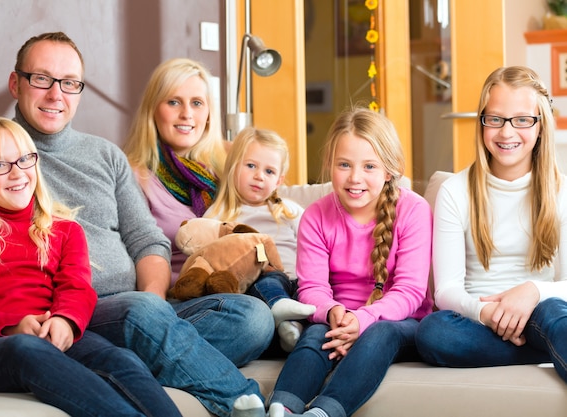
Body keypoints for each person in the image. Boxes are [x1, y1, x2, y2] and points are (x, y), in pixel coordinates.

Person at [0, 32, 265, 417]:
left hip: (123, 307)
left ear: (79, 90)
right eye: (41, 79)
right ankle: (229, 393)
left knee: (253, 318)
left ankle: (146, 344)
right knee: (140, 318)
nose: (55, 94)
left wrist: (154, 306)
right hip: (58, 307)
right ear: (16, 84)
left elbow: (148, 241)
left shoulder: (105, 156)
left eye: (69, 83)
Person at [0, 115, 182, 417]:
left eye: (24, 160)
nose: (17, 173)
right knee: (26, 348)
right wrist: (14, 326)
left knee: (122, 359)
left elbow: (77, 288)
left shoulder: (65, 230)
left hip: (51, 333)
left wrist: (65, 321)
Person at [233, 107, 434, 417]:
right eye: (344, 165)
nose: (355, 178)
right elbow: (311, 288)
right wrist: (334, 312)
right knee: (315, 335)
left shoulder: (414, 210)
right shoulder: (315, 215)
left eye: (369, 166)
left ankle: (323, 413)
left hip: (400, 321)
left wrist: (363, 320)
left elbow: (410, 291)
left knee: (380, 334)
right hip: (338, 320)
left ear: (390, 170)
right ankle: (280, 409)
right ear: (330, 165)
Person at [415, 66, 567, 383]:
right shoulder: (454, 192)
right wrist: (487, 313)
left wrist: (533, 291)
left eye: (522, 119)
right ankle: (548, 351)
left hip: (542, 315)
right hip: (478, 323)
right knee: (433, 332)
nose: (507, 132)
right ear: (482, 121)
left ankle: (551, 342)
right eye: (495, 119)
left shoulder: (561, 190)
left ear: (541, 125)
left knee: (554, 313)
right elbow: (446, 290)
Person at [124, 57, 274, 362]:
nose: (186, 114)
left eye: (196, 103)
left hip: (236, 292)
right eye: (173, 102)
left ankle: (156, 357)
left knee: (274, 310)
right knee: (255, 320)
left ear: (208, 113)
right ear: (154, 109)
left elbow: (273, 217)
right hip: (178, 300)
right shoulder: (133, 175)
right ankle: (153, 349)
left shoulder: (231, 164)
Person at [205, 126, 315, 352]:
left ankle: (290, 324)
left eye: (269, 172)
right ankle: (283, 321)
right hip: (250, 286)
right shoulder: (219, 214)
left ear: (279, 181)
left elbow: (315, 245)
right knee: (265, 281)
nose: (259, 176)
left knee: (305, 295)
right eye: (251, 166)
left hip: (296, 282)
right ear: (234, 167)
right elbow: (206, 252)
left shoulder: (289, 211)